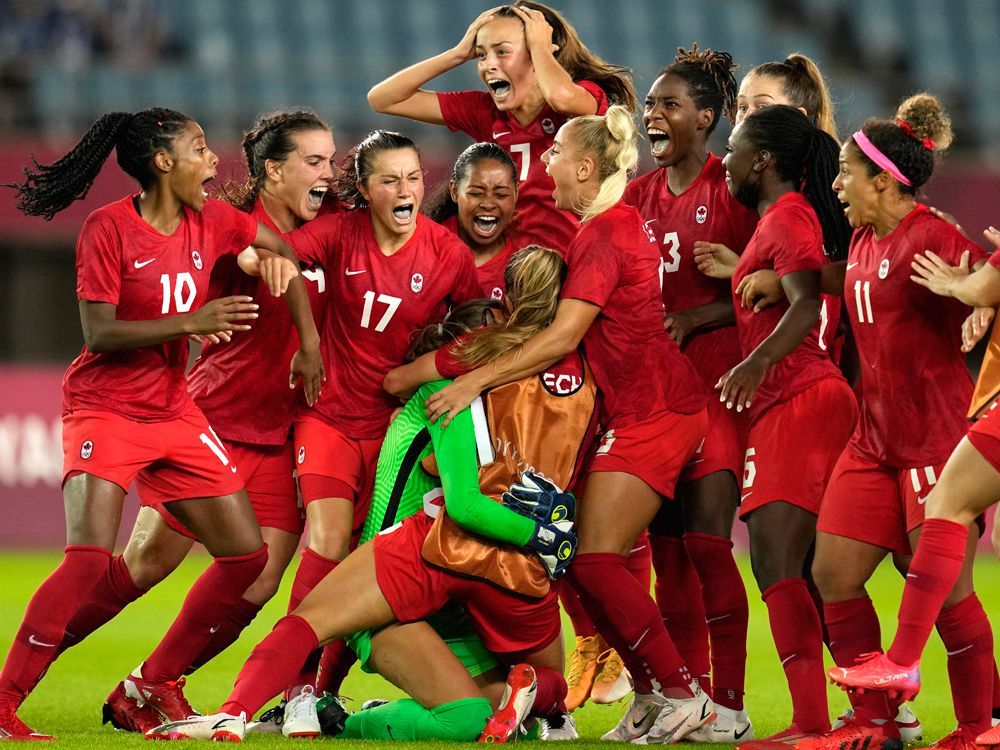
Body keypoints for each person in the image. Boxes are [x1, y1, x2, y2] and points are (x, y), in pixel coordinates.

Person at [145, 246, 595, 743]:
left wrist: (467, 373)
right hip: (483, 568)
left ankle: (287, 712)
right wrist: (549, 533)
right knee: (523, 699)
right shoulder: (574, 375)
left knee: (459, 706)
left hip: (435, 559)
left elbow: (407, 401)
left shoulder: (455, 385)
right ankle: (292, 704)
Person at [0, 107, 323, 741]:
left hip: (175, 410)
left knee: (246, 555)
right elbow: (100, 331)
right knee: (89, 560)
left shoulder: (213, 220)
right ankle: (7, 697)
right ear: (163, 162)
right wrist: (192, 323)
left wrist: (289, 296)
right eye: (200, 148)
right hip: (106, 406)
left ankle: (153, 682)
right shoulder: (108, 229)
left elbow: (274, 245)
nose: (213, 161)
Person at [421, 105, 715, 743]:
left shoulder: (604, 233)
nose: (544, 165)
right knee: (597, 560)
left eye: (555, 154)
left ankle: (684, 695)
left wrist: (471, 380)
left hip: (657, 412)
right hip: (655, 407)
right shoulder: (609, 225)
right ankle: (653, 694)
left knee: (597, 559)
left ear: (584, 167)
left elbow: (564, 335)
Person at [265, 128, 482, 724]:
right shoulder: (340, 233)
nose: (406, 189)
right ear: (364, 189)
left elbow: (471, 335)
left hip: (396, 433)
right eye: (390, 179)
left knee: (364, 562)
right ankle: (295, 688)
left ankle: (322, 688)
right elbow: (278, 249)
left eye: (413, 177)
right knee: (329, 541)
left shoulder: (447, 254)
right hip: (329, 413)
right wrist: (252, 259)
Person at [798, 94, 992, 750]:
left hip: (932, 441)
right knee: (833, 575)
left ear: (882, 180)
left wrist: (978, 307)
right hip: (872, 442)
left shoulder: (934, 234)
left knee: (952, 598)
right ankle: (874, 724)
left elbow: (985, 281)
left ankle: (979, 727)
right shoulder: (859, 235)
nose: (836, 184)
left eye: (845, 173)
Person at [622, 45, 758, 739]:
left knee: (708, 545)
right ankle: (689, 698)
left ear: (706, 118)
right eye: (650, 104)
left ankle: (731, 706)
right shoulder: (636, 199)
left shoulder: (731, 188)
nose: (654, 114)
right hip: (657, 402)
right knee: (667, 551)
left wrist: (701, 314)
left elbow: (779, 293)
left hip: (719, 393)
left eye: (669, 104)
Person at [716, 104, 856, 748]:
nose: (726, 159)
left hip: (798, 396)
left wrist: (756, 361)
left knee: (777, 562)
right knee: (819, 569)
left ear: (764, 161)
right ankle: (879, 713)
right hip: (795, 401)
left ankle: (812, 725)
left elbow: (805, 303)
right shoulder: (776, 221)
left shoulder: (790, 214)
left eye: (736, 147)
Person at [367, 1, 635, 253]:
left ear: (540, 55)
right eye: (482, 55)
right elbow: (383, 98)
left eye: (502, 52)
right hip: (522, 275)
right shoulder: (485, 112)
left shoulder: (585, 99)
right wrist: (456, 54)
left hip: (581, 266)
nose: (488, 65)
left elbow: (560, 98)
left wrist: (542, 49)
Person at [693, 54, 837, 279]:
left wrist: (781, 283)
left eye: (762, 106)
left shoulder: (829, 191)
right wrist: (743, 269)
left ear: (797, 118)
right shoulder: (743, 188)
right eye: (741, 107)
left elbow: (813, 293)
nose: (746, 117)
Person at [423, 141, 520, 301]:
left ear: (516, 193)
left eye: (501, 195)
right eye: (476, 193)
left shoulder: (521, 270)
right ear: (454, 191)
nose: (488, 204)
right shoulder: (423, 244)